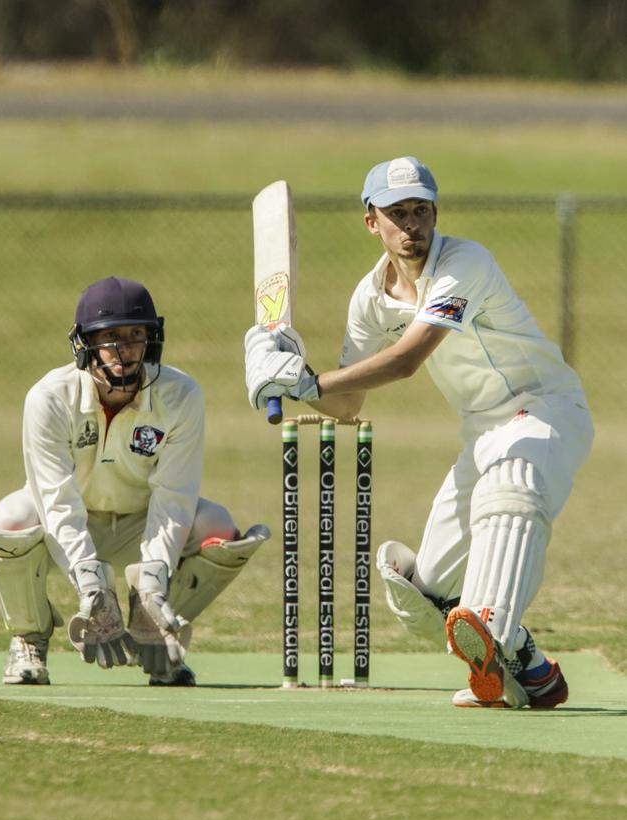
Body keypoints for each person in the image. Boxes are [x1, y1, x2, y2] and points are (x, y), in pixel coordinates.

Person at [244, 156, 593, 709]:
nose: (412, 226)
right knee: (424, 593)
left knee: (513, 492)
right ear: (371, 221)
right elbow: (348, 403)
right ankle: (528, 666)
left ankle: (492, 630)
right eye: (397, 213)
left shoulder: (464, 263)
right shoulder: (368, 299)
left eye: (421, 211)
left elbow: (406, 361)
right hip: (483, 431)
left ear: (435, 213)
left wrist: (309, 383)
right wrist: (282, 376)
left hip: (545, 410)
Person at [0, 276, 269, 686]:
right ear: (84, 343)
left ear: (152, 339)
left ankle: (156, 630)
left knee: (218, 527)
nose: (124, 349)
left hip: (140, 522)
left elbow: (174, 497)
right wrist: (90, 582)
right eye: (110, 336)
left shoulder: (180, 394)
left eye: (136, 335)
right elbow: (56, 500)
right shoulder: (49, 397)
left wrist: (153, 581)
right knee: (9, 519)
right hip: (68, 525)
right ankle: (29, 639)